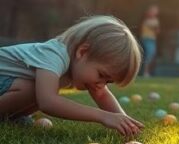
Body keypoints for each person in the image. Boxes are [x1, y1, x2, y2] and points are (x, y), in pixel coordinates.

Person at [0, 15, 144, 136]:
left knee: (38, 89)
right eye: (101, 75)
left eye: (108, 81)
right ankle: (10, 117)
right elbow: (48, 102)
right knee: (36, 90)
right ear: (82, 52)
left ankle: (11, 117)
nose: (101, 84)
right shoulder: (54, 54)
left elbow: (101, 94)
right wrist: (103, 116)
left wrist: (125, 123)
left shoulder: (79, 64)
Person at [139, 4, 160, 77]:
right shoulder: (146, 20)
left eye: (156, 11)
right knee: (149, 55)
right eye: (153, 11)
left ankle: (147, 72)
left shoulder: (156, 20)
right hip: (146, 39)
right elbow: (147, 28)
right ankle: (145, 72)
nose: (155, 12)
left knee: (151, 56)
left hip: (152, 39)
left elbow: (157, 31)